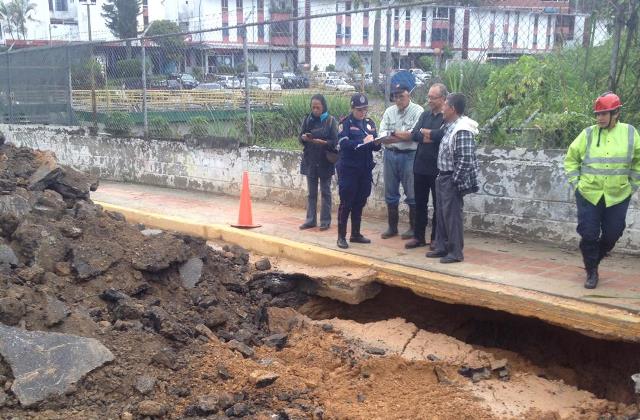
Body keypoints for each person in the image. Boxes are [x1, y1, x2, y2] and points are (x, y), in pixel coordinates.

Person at [564, 92, 640, 289]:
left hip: (618, 195)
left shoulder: (630, 133)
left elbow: (638, 160)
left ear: (616, 113)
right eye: (597, 114)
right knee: (589, 234)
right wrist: (577, 184)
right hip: (589, 194)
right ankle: (591, 272)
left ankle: (593, 258)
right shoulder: (588, 133)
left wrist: (632, 185)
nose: (599, 118)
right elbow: (571, 159)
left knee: (613, 233)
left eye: (604, 114)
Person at [426, 93, 479, 264]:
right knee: (441, 214)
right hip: (442, 176)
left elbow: (465, 159)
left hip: (450, 178)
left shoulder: (462, 129)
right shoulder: (450, 125)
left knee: (452, 216)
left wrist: (455, 180)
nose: (442, 108)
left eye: (445, 105)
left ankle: (456, 252)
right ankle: (441, 247)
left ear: (453, 109)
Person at [335, 93, 381, 249]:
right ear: (352, 108)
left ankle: (355, 233)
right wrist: (362, 141)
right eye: (359, 110)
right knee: (346, 202)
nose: (362, 113)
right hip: (349, 169)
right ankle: (341, 236)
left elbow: (375, 144)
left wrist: (377, 142)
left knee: (360, 201)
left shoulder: (369, 123)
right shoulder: (345, 123)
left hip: (365, 169)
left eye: (365, 109)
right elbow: (344, 144)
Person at [405, 83, 448, 250]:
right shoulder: (424, 115)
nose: (429, 100)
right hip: (420, 166)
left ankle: (436, 238)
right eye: (428, 97)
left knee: (438, 205)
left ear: (443, 99)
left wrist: (427, 133)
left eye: (433, 97)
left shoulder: (446, 117)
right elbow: (414, 134)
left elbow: (442, 135)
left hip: (437, 168)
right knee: (420, 203)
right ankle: (418, 236)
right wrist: (428, 135)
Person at [379, 83, 424, 240]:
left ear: (408, 95)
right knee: (390, 192)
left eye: (401, 96)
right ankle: (392, 227)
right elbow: (382, 137)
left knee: (411, 192)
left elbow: (413, 135)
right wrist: (400, 135)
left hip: (409, 155)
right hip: (390, 154)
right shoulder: (389, 111)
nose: (398, 100)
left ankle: (413, 228)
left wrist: (393, 135)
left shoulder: (417, 111)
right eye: (395, 97)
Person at [299, 94, 339, 231]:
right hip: (310, 160)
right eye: (313, 107)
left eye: (318, 107)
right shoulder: (307, 119)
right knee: (311, 193)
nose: (315, 110)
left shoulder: (330, 121)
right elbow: (300, 137)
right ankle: (310, 220)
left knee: (325, 192)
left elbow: (335, 142)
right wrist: (304, 138)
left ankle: (325, 221)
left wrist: (323, 143)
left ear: (324, 107)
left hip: (325, 161)